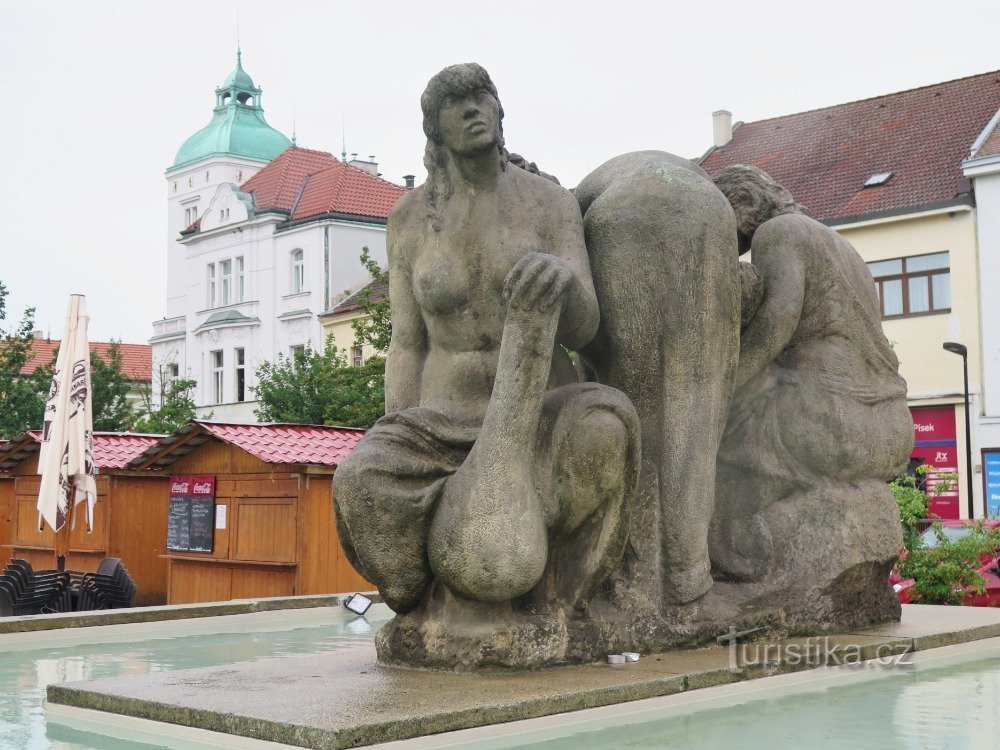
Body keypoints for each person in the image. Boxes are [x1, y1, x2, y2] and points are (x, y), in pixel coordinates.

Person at [333, 63, 639, 617]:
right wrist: (397, 426)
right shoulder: (409, 219)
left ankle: (546, 585)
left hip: (542, 406)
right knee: (360, 479)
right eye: (456, 103)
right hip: (443, 414)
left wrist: (562, 283)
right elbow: (407, 344)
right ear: (436, 130)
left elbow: (585, 325)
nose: (474, 109)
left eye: (482, 97)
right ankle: (421, 595)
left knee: (606, 431)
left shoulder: (548, 203)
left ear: (500, 110)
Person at [710, 165, 912, 581]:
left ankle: (729, 559)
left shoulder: (779, 232)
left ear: (745, 205)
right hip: (889, 423)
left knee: (709, 440)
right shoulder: (843, 247)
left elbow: (776, 326)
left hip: (826, 417)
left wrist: (720, 389)